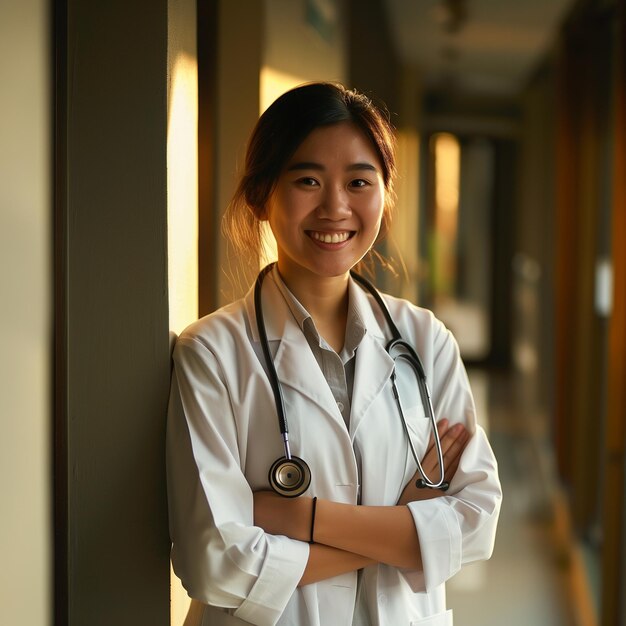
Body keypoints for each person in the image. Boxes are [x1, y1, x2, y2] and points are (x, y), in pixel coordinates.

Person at [167, 82, 502, 626]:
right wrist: (404, 528)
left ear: (383, 193)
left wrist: (298, 516)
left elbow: (476, 521)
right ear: (260, 195)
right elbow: (217, 562)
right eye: (307, 180)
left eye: (359, 182)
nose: (335, 206)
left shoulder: (424, 340)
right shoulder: (212, 353)